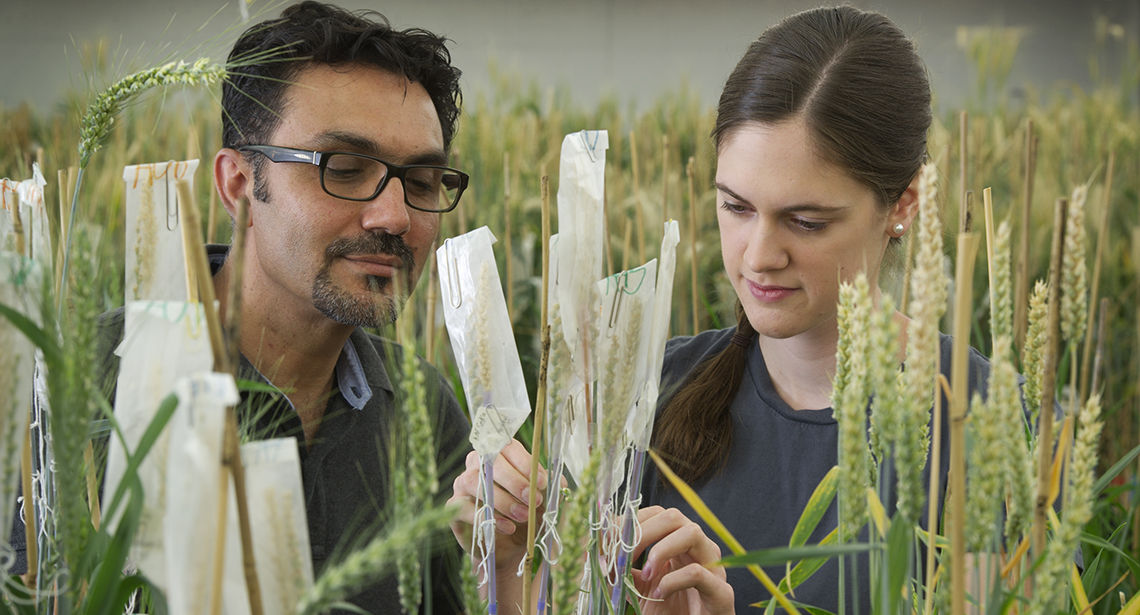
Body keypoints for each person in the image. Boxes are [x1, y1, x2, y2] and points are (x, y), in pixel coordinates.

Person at [450, 6, 981, 615]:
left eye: (805, 221)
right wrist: (507, 564)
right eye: (735, 206)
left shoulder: (978, 420)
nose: (758, 256)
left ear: (902, 204)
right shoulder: (643, 388)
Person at [9, 3, 474, 613]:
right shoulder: (78, 387)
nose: (394, 217)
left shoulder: (425, 410)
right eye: (344, 168)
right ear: (237, 185)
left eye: (420, 182)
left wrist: (526, 573)